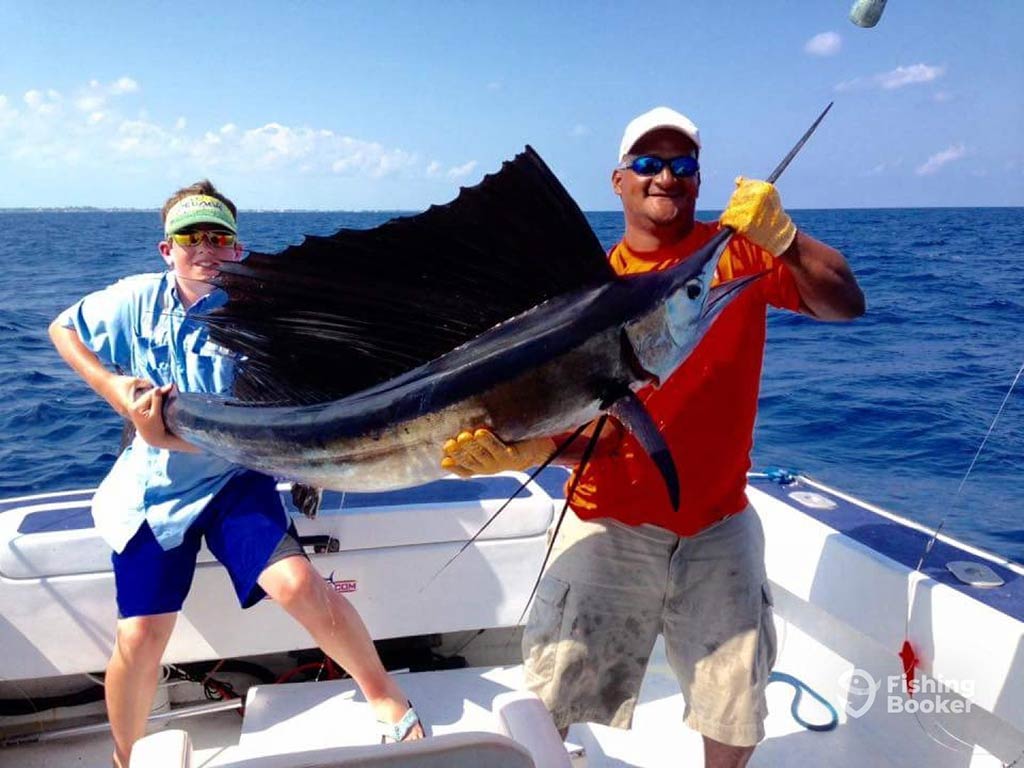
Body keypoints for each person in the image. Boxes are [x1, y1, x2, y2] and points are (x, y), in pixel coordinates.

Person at [440, 107, 864, 768]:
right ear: (618, 181)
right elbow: (594, 435)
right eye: (647, 163)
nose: (664, 175)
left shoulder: (743, 251)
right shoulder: (588, 288)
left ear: (699, 180)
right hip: (608, 521)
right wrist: (521, 451)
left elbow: (845, 303)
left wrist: (787, 240)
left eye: (682, 165)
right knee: (555, 693)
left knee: (735, 701)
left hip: (718, 521)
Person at [49, 181, 424, 767]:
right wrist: (115, 389)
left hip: (235, 476)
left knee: (298, 585)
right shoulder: (134, 300)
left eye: (218, 237)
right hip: (151, 487)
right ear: (165, 249)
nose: (205, 248)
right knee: (141, 635)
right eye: (189, 237)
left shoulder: (262, 312)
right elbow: (63, 329)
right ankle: (125, 757)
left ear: (237, 249)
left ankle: (388, 699)